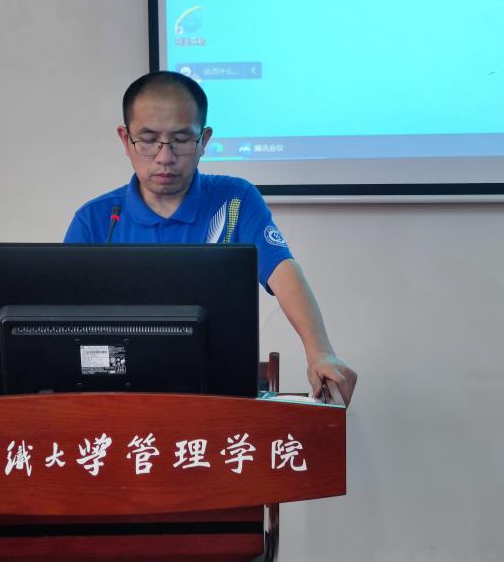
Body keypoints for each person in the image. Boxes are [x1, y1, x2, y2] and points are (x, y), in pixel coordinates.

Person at [65, 71, 357, 404]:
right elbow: (62, 322)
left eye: (181, 140)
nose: (164, 157)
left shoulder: (234, 201)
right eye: (148, 140)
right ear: (125, 139)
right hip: (117, 396)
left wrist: (320, 351)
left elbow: (282, 271)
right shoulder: (97, 219)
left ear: (204, 140)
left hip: (217, 396)